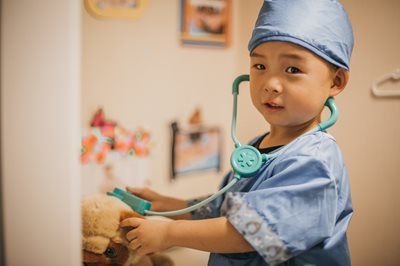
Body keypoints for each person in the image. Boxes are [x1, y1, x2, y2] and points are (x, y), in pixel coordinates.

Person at [120, 0, 354, 265]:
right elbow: (228, 210)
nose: (270, 84)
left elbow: (254, 234)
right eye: (260, 66)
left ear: (336, 82)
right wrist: (170, 206)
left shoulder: (315, 162)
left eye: (292, 69)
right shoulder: (257, 146)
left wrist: (169, 234)